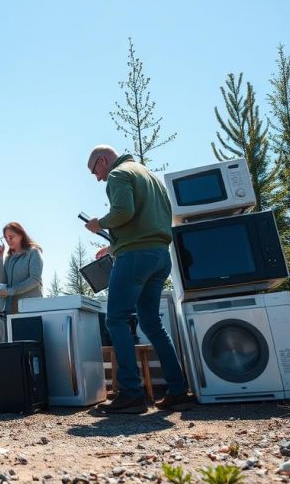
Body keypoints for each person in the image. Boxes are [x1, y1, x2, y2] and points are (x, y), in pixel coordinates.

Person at [83, 145, 193, 413]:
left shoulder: (119, 174)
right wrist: (113, 245)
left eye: (94, 171)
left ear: (103, 160)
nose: (98, 178)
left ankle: (131, 393)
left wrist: (100, 224)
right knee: (151, 322)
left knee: (117, 319)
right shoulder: (151, 176)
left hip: (134, 258)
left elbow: (123, 212)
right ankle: (178, 390)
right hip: (159, 256)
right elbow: (148, 220)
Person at [0, 222, 44, 314]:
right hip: (11, 310)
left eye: (11, 237)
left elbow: (35, 279)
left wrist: (10, 291)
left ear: (20, 235)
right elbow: (1, 281)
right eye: (6, 238)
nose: (8, 240)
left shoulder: (33, 253)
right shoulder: (9, 258)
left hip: (30, 309)